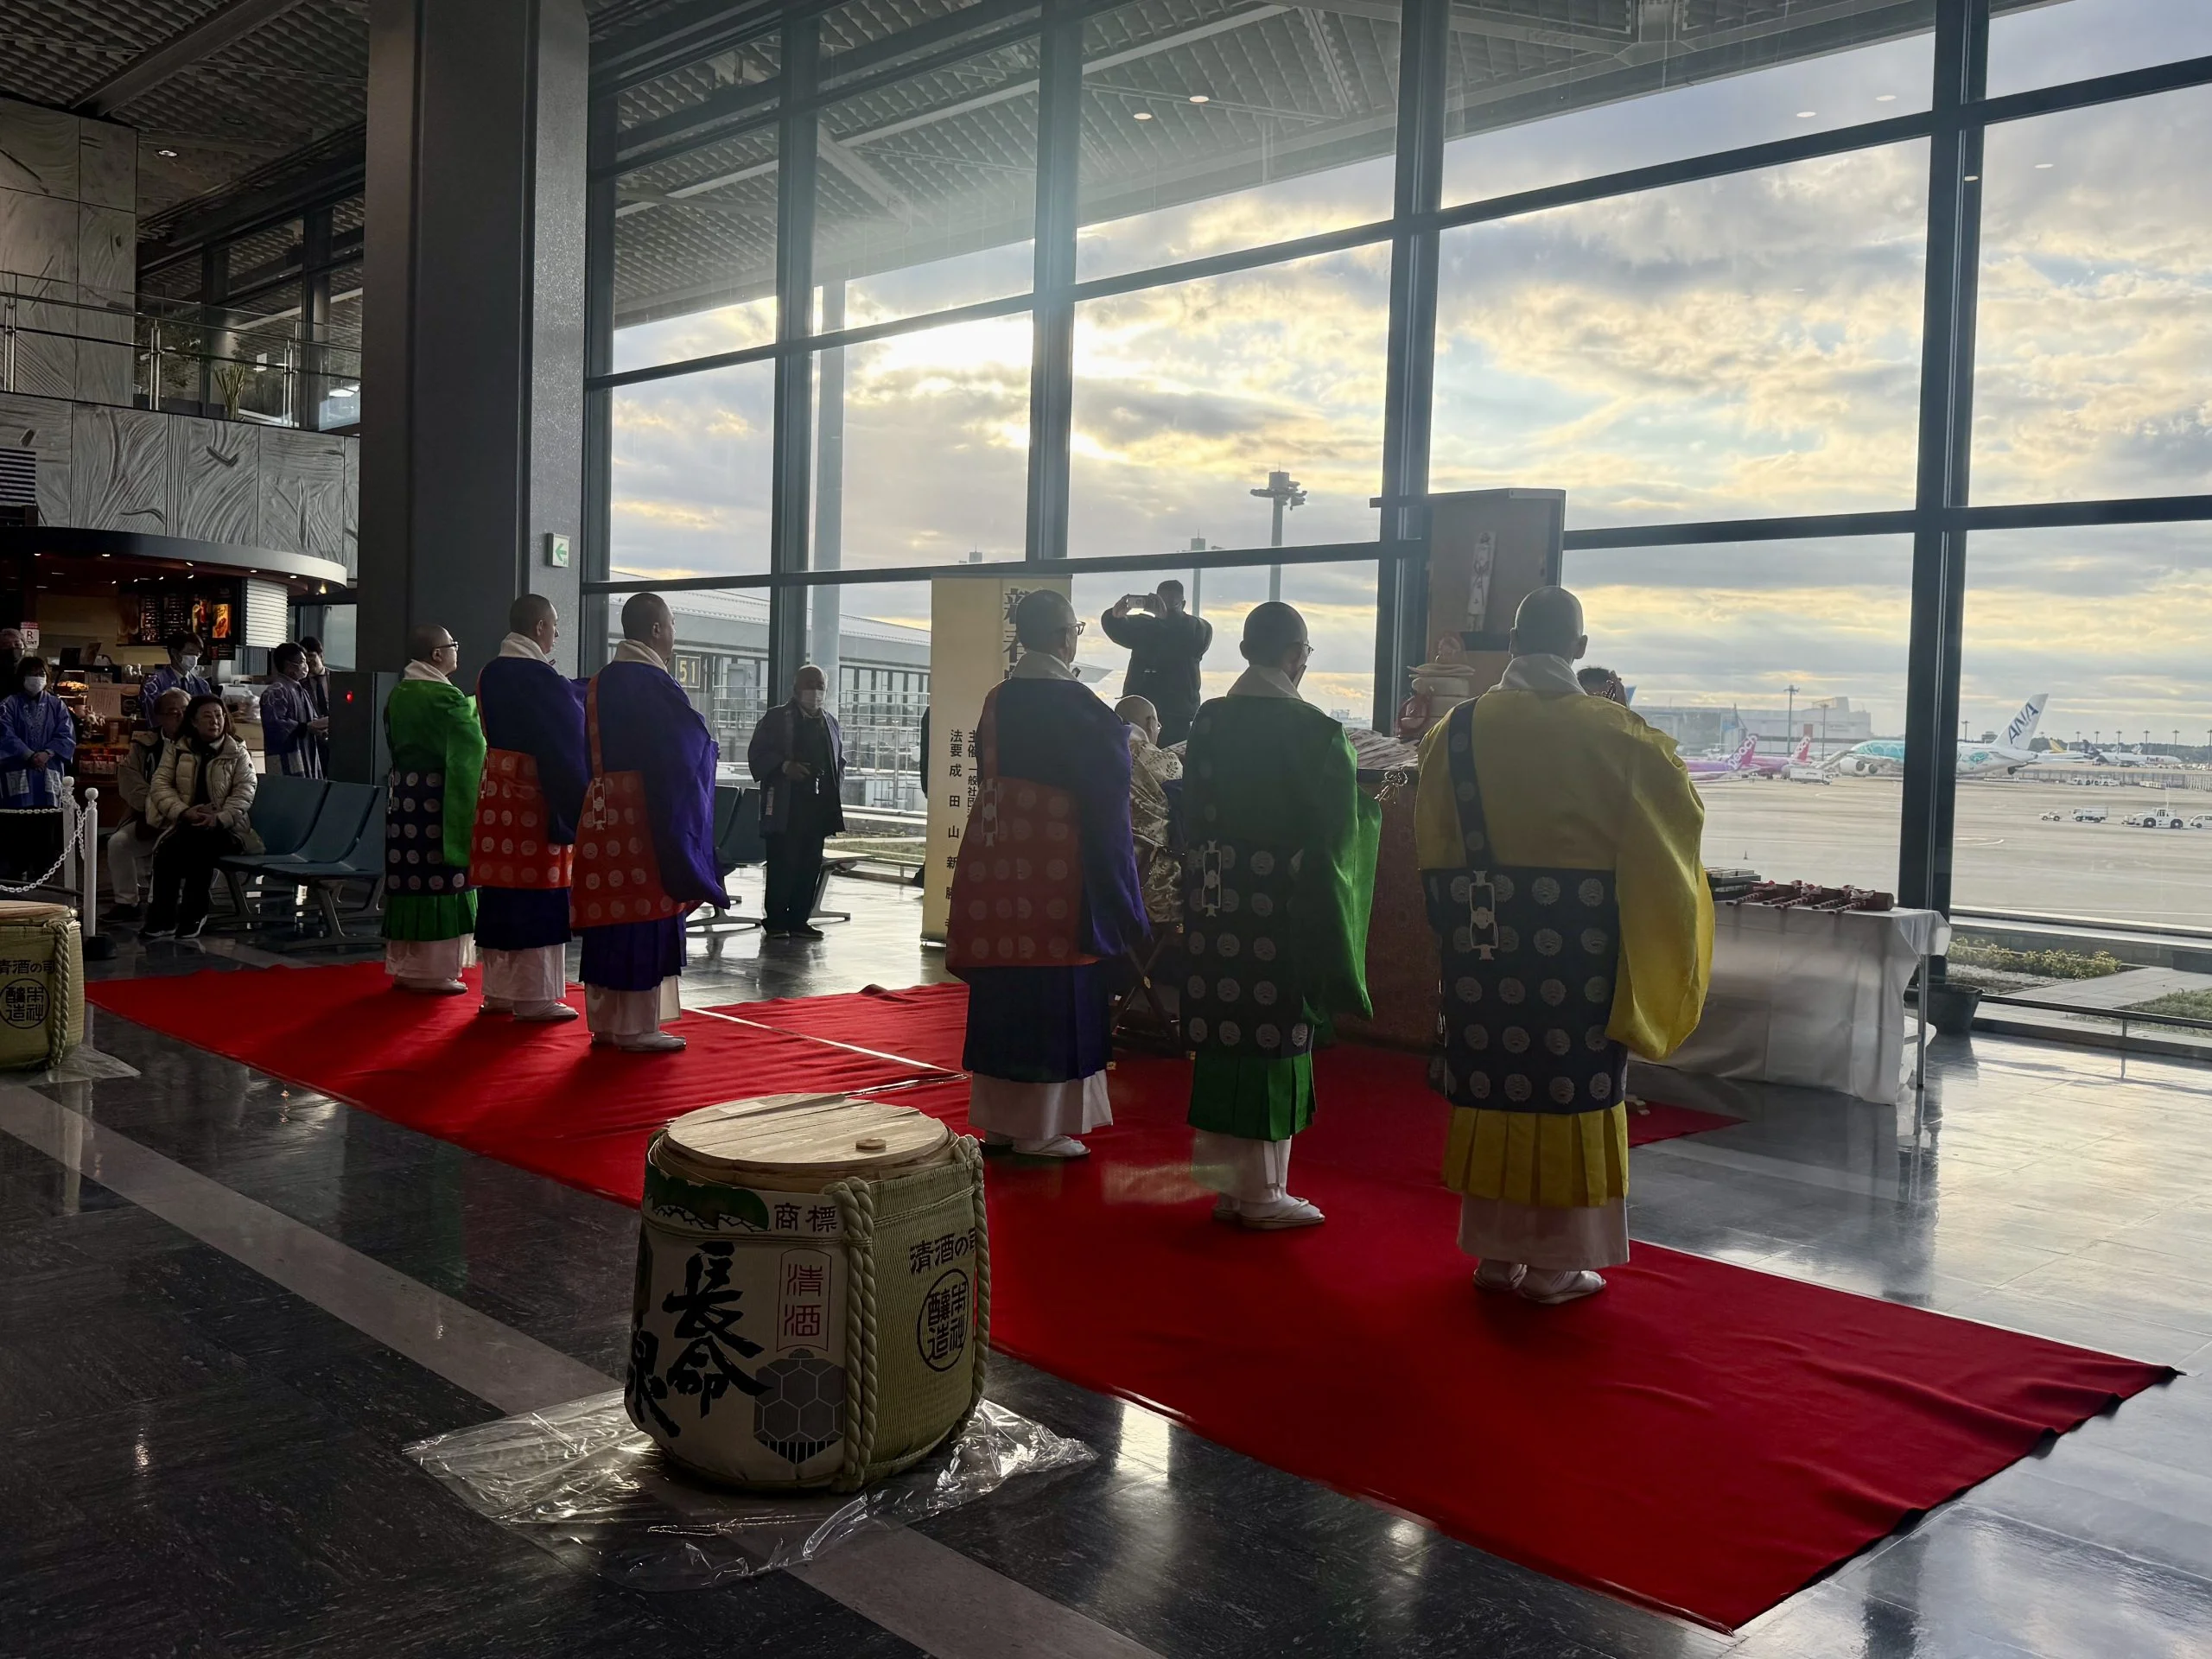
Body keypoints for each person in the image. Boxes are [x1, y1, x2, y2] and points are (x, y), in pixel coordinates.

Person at [1416, 587, 1711, 1305]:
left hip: (1483, 942)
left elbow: (1436, 849)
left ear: (1512, 644)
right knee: (1572, 1091)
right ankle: (1554, 1263)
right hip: (1576, 950)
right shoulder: (1620, 736)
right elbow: (1671, 846)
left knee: (1493, 1081)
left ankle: (1493, 1251)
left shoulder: (1454, 732)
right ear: (1578, 651)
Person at [1179, 603, 1378, 1229]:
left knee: (1224, 1029)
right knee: (1275, 1034)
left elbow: (1189, 815)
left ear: (1244, 651)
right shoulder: (1317, 732)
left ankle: (1226, 1186)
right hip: (1280, 909)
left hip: (1216, 901)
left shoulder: (1208, 721)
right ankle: (1264, 1192)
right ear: (1295, 655)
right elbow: (1337, 838)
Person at [950, 589, 1146, 1159]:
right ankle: (1042, 1128)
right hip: (1058, 870)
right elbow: (1110, 788)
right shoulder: (1081, 706)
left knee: (1006, 985)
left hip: (1000, 866)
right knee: (1055, 989)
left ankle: (1003, 1124)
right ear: (1065, 637)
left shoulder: (999, 699)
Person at [575, 593, 723, 1052]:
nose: (675, 633)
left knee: (610, 916)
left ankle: (604, 1023)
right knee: (644, 915)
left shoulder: (600, 681)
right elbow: (684, 747)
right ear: (657, 630)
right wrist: (708, 748)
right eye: (673, 624)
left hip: (603, 810)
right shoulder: (653, 683)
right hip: (645, 815)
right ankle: (639, 1026)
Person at [473, 595, 588, 1023]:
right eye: (554, 626)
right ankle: (535, 997)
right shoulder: (541, 679)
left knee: (501, 894)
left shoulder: (490, 673)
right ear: (539, 627)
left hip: (497, 794)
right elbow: (564, 745)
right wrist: (580, 803)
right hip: (535, 799)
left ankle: (499, 993)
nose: (556, 633)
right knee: (540, 895)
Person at [382, 624, 486, 995]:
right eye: (452, 645)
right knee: (440, 877)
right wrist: (482, 700)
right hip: (438, 800)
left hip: (405, 796)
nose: (458, 650)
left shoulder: (400, 693)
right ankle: (435, 971)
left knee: (409, 878)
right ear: (436, 655)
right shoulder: (443, 697)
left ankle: (408, 967)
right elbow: (471, 736)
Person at [143, 694, 260, 939]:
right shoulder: (178, 748)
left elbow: (245, 791)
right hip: (188, 822)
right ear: (194, 722)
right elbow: (160, 784)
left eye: (218, 716)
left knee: (200, 848)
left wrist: (220, 817)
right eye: (207, 717)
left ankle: (194, 914)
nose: (214, 721)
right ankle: (163, 919)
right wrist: (184, 811)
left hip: (230, 829)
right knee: (167, 850)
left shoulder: (236, 750)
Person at [748, 664, 847, 940]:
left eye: (820, 685)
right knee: (783, 862)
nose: (814, 691)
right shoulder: (776, 718)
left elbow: (838, 762)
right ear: (795, 687)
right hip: (785, 806)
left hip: (817, 808)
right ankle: (777, 919)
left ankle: (800, 919)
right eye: (809, 683)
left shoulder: (830, 722)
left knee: (809, 864)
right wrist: (783, 766)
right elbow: (757, 754)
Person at [107, 688, 190, 919]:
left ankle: (162, 906)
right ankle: (127, 903)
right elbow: (129, 779)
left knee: (168, 846)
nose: (181, 717)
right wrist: (156, 805)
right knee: (118, 843)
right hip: (150, 816)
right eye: (174, 713)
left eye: (186, 711)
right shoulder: (146, 745)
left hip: (187, 821)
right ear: (160, 717)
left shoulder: (201, 744)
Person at [1101, 581, 1212, 746]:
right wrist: (1115, 617)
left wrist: (1170, 618)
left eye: (1171, 604)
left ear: (1183, 604)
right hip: (1140, 709)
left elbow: (1198, 637)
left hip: (1177, 714)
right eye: (1161, 603)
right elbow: (1121, 630)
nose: (1165, 608)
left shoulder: (1194, 628)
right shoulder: (1146, 626)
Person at [1116, 694, 1184, 929]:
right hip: (1150, 875)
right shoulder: (1153, 756)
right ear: (1149, 723)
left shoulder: (1100, 748)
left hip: (1104, 875)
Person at [0, 656, 76, 808]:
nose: (36, 678)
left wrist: (47, 754)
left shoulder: (57, 705)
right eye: (31, 673)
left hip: (49, 767)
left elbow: (66, 735)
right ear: (22, 676)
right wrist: (29, 755)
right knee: (17, 819)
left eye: (40, 674)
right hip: (18, 768)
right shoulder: (8, 704)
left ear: (47, 677)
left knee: (48, 818)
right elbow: (4, 734)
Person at [257, 643, 326, 779]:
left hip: (307, 752)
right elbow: (274, 725)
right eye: (301, 662)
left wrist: (320, 727)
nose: (306, 666)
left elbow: (312, 720)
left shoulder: (301, 690)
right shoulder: (275, 691)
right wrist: (304, 727)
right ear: (288, 665)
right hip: (287, 759)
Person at [142, 635, 213, 721]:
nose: (194, 658)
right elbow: (154, 720)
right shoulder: (154, 684)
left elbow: (209, 717)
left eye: (198, 654)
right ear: (174, 652)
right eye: (190, 653)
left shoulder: (202, 685)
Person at [301, 635, 333, 775]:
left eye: (311, 656)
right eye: (304, 658)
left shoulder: (338, 679)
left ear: (321, 656)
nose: (308, 661)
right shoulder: (300, 684)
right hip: (314, 738)